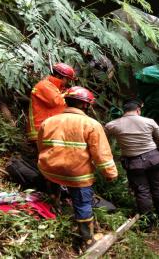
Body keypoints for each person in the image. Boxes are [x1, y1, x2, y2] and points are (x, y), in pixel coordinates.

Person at [37, 86, 118, 250]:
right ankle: (87, 240)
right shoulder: (91, 124)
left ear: (66, 101)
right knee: (83, 204)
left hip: (50, 170)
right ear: (85, 105)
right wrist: (110, 173)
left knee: (54, 188)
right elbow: (101, 154)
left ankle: (57, 210)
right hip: (77, 175)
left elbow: (41, 147)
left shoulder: (48, 121)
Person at [105, 98, 159, 218]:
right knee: (157, 186)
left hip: (134, 163)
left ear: (124, 111)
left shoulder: (112, 125)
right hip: (154, 158)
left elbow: (101, 139)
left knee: (142, 190)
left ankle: (148, 220)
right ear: (138, 110)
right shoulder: (150, 121)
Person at [27, 63, 77, 142]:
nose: (68, 82)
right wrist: (70, 94)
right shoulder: (44, 85)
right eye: (67, 79)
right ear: (59, 76)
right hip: (41, 130)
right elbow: (56, 102)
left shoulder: (54, 87)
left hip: (49, 130)